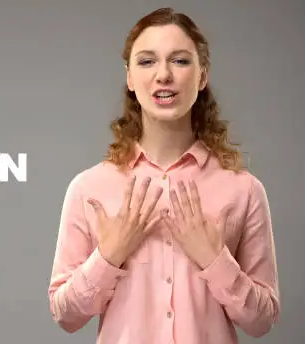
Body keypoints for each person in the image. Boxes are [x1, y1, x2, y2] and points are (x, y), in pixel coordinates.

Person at [47, 7, 280, 344]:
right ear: (129, 77)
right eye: (147, 61)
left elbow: (262, 321)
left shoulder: (243, 190)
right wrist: (108, 256)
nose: (164, 75)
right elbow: (65, 316)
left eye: (180, 61)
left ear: (202, 77)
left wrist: (215, 260)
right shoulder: (89, 188)